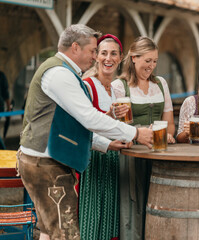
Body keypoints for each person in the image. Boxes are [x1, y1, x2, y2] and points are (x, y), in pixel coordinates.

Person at [17, 24, 153, 240]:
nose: (95, 56)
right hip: (47, 165)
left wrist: (105, 144)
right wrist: (135, 134)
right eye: (92, 50)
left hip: (41, 160)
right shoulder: (60, 74)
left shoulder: (63, 71)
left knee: (48, 231)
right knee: (66, 234)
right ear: (75, 47)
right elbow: (89, 118)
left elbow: (71, 125)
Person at [111, 36, 175, 240]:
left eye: (155, 61)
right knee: (133, 204)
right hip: (132, 154)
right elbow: (116, 125)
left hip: (158, 153)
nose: (152, 66)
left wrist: (169, 135)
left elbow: (169, 123)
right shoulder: (119, 86)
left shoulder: (161, 84)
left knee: (156, 202)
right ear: (134, 57)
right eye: (147, 60)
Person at [78, 34, 130, 240]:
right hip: (94, 159)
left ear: (120, 58)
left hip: (114, 159)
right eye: (104, 53)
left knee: (110, 220)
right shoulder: (87, 85)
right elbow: (83, 128)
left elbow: (118, 125)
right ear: (97, 57)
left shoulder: (117, 90)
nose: (108, 58)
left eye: (113, 54)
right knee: (92, 220)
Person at [0, 70, 11, 149]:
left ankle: (3, 149)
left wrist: (8, 108)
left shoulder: (1, 75)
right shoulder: (1, 75)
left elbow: (5, 93)